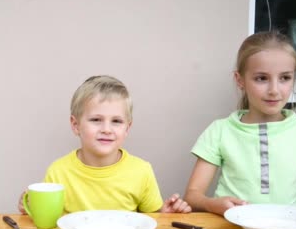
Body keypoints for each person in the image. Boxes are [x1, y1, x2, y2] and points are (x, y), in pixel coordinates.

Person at [184, 31, 296, 215]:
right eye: (261, 78)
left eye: (285, 78)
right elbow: (192, 196)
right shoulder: (219, 131)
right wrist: (212, 204)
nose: (274, 90)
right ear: (240, 80)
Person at [18, 75, 191, 215]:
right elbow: (48, 219)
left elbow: (152, 219)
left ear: (127, 128)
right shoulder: (58, 171)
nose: (106, 129)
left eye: (116, 121)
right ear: (75, 125)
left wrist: (165, 214)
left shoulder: (141, 171)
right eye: (96, 120)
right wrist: (32, 208)